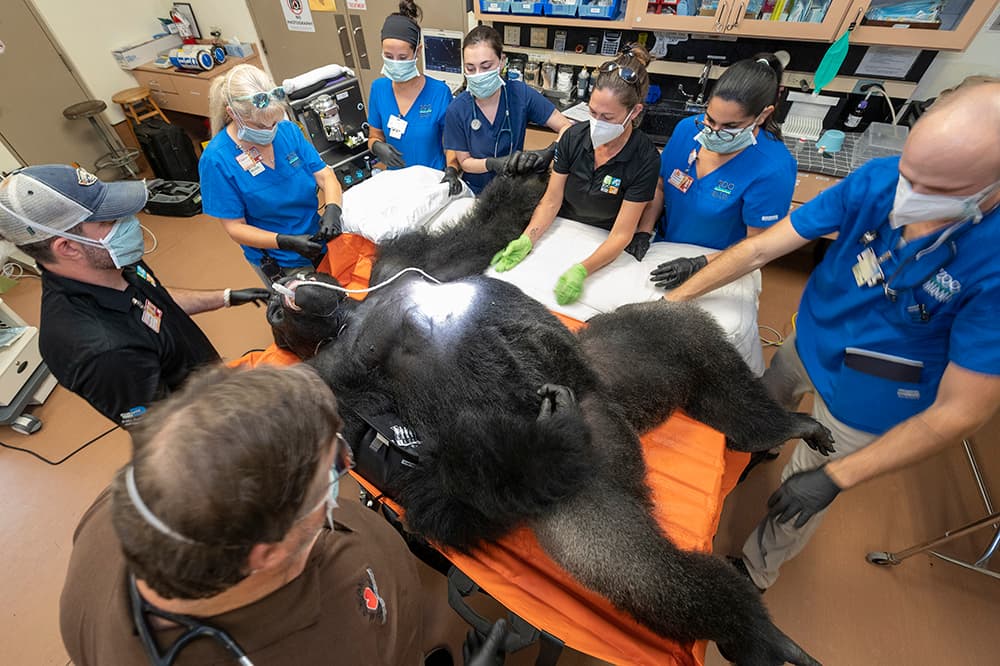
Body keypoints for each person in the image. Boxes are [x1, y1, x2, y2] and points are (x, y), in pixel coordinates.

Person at [663, 79, 1000, 591]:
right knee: (768, 401)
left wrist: (836, 477)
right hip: (812, 338)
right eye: (911, 175)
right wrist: (673, 302)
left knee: (804, 488)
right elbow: (759, 249)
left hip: (878, 391)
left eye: (937, 192)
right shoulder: (878, 181)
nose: (909, 198)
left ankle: (754, 571)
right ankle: (762, 445)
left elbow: (962, 410)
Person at [60, 364, 507, 664]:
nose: (347, 466)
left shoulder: (138, 501)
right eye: (332, 467)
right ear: (265, 554)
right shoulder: (323, 649)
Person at [0, 165, 267, 427]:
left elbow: (155, 301)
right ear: (67, 247)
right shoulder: (100, 351)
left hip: (219, 393)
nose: (130, 222)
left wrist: (227, 297)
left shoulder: (115, 264)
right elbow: (168, 436)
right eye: (109, 220)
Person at [490, 45, 661, 306]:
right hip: (562, 225)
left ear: (634, 112)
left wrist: (583, 270)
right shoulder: (573, 137)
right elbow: (551, 200)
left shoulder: (645, 159)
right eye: (593, 112)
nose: (597, 122)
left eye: (608, 117)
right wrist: (528, 237)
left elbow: (621, 234)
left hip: (602, 236)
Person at [645, 53, 797, 291]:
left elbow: (759, 245)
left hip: (724, 264)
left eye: (730, 127)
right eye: (710, 119)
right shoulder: (687, 131)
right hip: (665, 248)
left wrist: (698, 264)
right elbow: (661, 185)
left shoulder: (773, 168)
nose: (714, 132)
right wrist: (644, 231)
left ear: (763, 115)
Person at [200, 64, 344, 284]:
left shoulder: (288, 132)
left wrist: (333, 209)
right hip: (278, 257)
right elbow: (235, 228)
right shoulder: (217, 160)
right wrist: (285, 241)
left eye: (274, 123)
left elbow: (325, 175)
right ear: (232, 114)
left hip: (317, 239)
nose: (270, 131)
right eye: (260, 125)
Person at [443, 26, 572, 195]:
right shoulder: (457, 108)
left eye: (486, 66)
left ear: (502, 61)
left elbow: (566, 126)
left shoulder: (520, 94)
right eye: (470, 68)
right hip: (475, 193)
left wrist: (551, 151)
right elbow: (465, 162)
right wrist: (491, 164)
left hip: (514, 191)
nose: (478, 74)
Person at [367, 1, 464, 195]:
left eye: (402, 57)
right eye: (388, 56)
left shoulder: (439, 93)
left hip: (431, 183)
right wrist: (377, 147)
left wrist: (452, 170)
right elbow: (374, 135)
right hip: (397, 183)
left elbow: (452, 144)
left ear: (417, 51)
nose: (395, 63)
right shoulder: (378, 89)